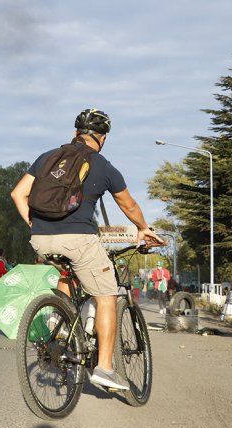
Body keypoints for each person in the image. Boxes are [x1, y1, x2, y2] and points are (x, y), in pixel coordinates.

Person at [10, 108, 164, 391]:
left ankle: (61, 317)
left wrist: (33, 223)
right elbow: (128, 205)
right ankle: (105, 368)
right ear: (102, 138)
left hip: (41, 238)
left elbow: (18, 193)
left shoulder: (47, 157)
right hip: (79, 238)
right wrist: (143, 228)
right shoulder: (103, 165)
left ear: (75, 133)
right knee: (107, 295)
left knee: (68, 271)